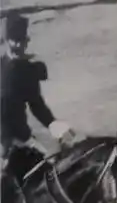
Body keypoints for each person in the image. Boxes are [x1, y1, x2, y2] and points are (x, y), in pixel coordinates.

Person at [1, 14, 79, 200]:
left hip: (23, 139)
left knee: (52, 174)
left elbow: (37, 106)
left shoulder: (28, 71)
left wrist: (56, 127)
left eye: (22, 41)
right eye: (14, 40)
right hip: (3, 141)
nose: (18, 46)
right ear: (6, 40)